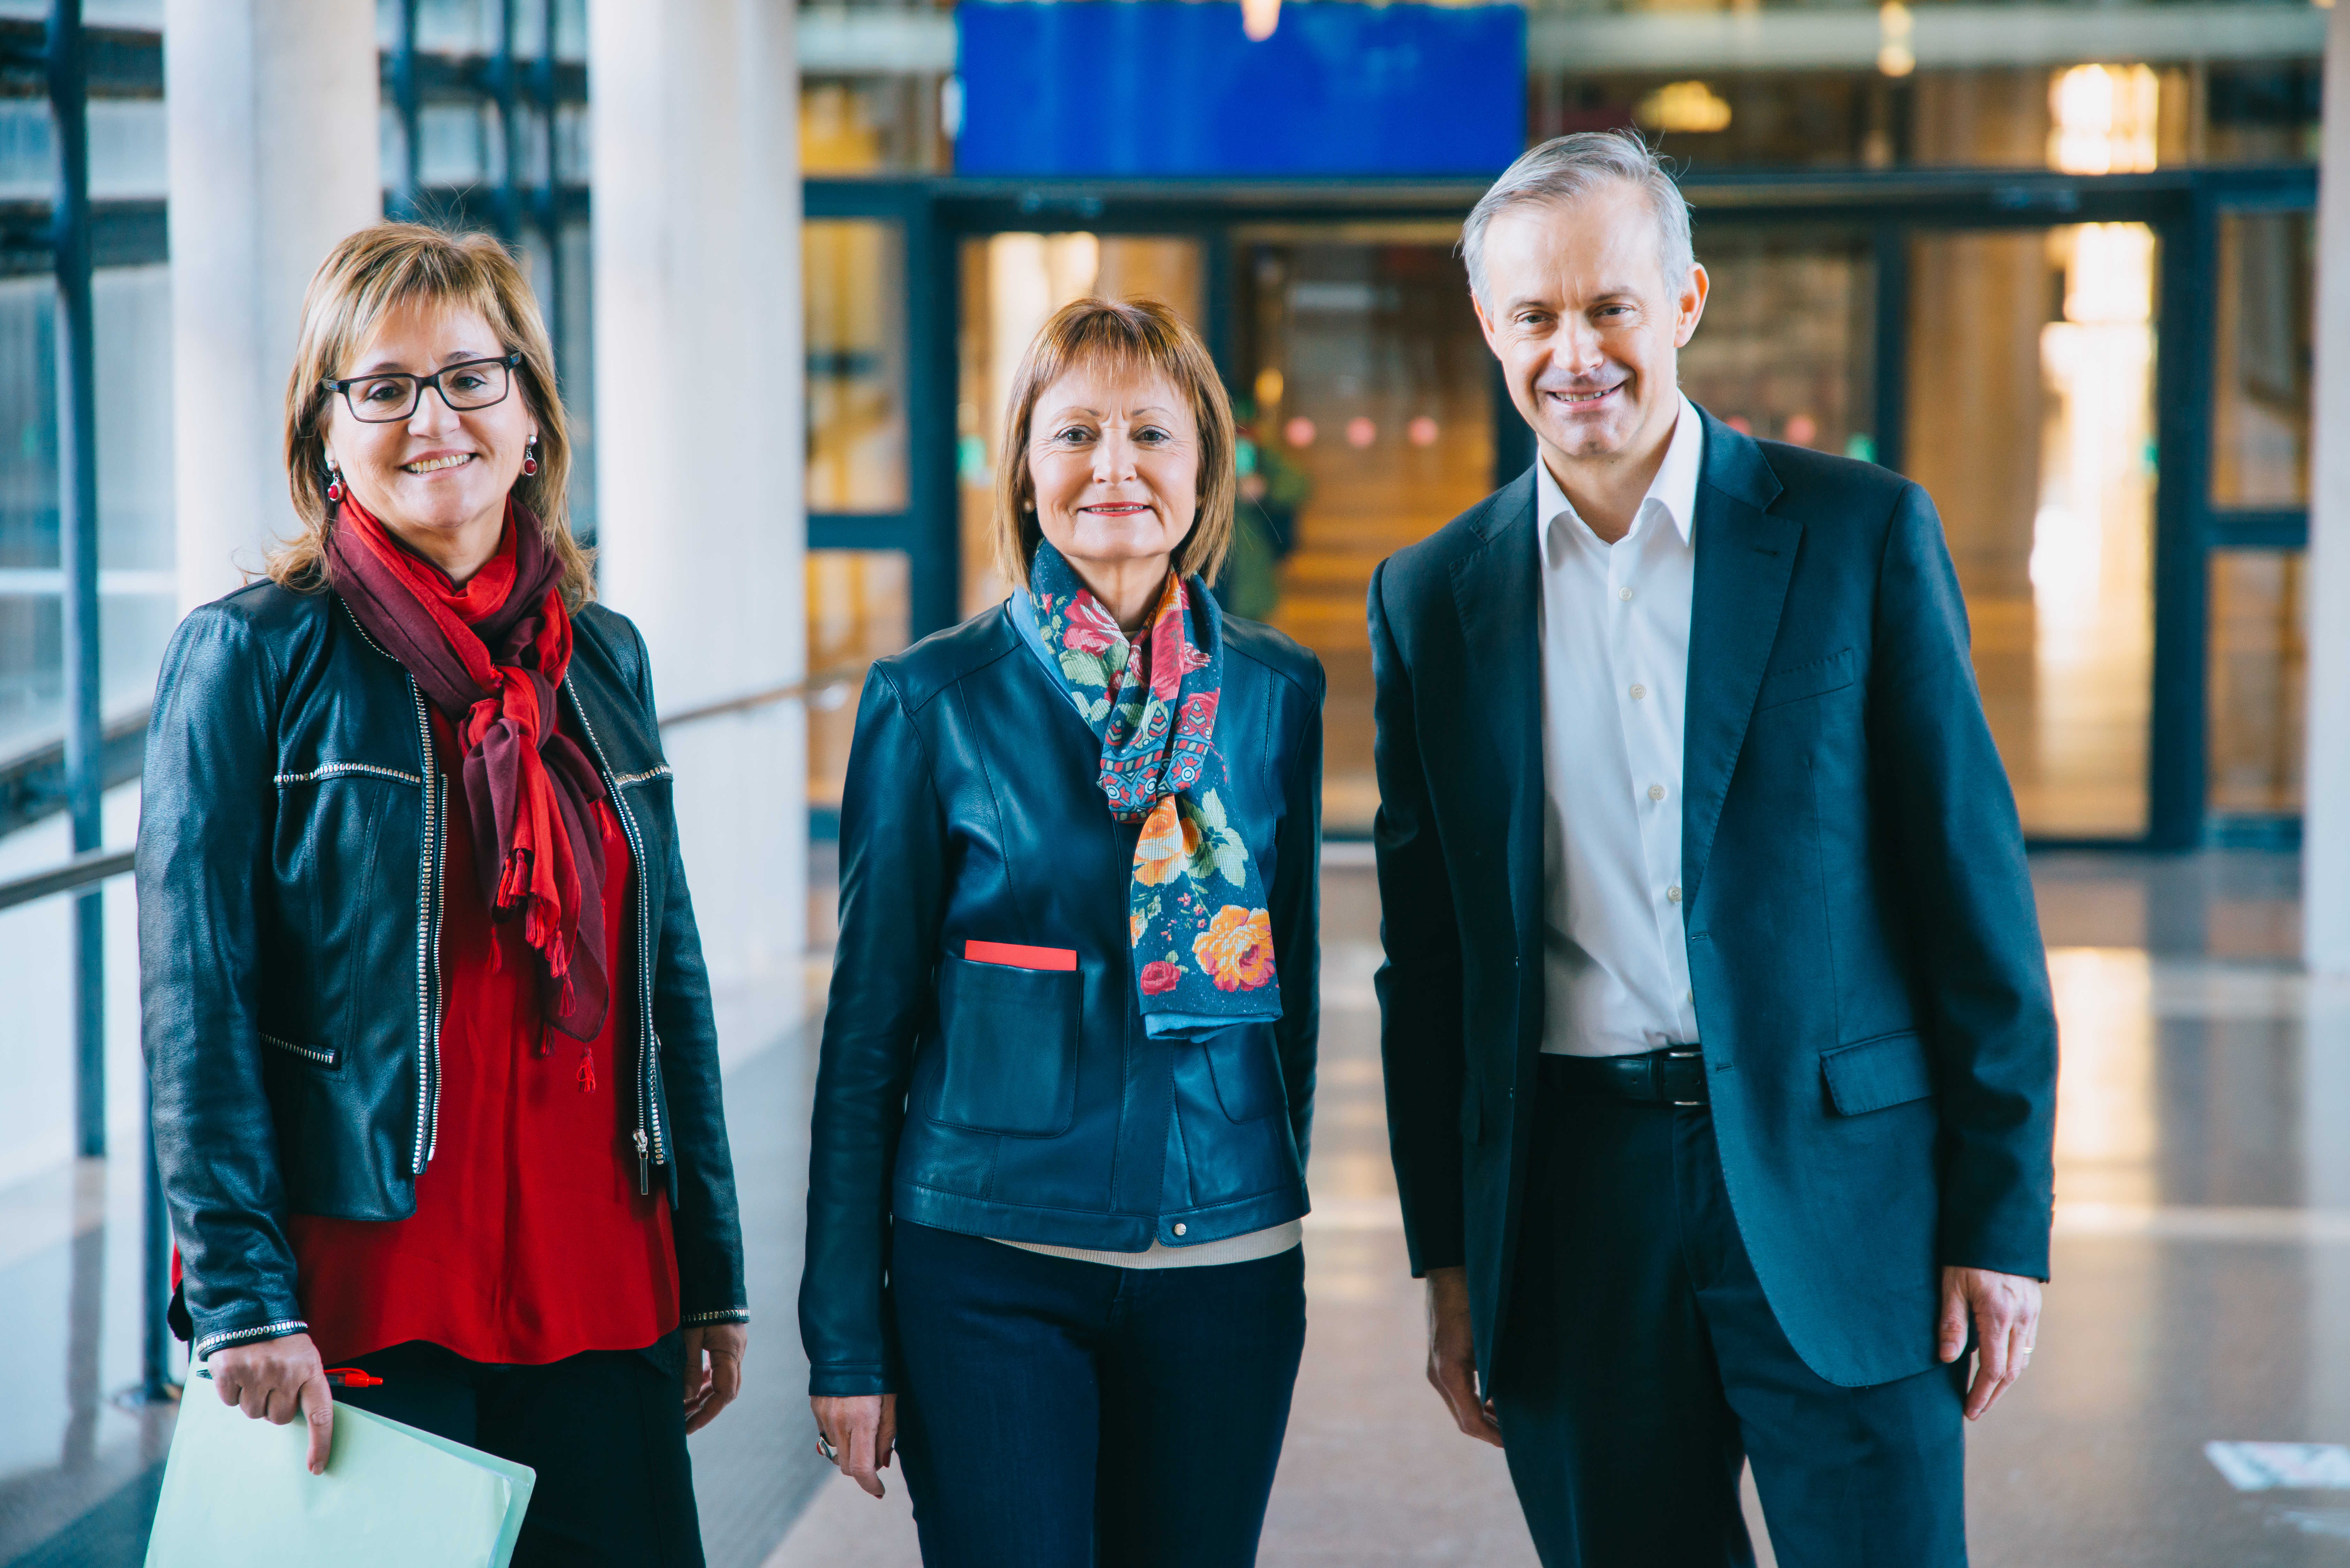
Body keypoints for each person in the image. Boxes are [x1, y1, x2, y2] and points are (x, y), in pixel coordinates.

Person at [1369, 132, 2057, 1566]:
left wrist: (2001, 1217)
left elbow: (1970, 898)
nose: (1576, 352)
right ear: (1490, 328)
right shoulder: (1432, 601)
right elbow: (1427, 971)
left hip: (1844, 1198)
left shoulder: (1858, 534)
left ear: (1684, 301)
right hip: (1570, 1213)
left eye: (1609, 305)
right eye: (1535, 316)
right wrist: (1450, 1261)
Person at [139, 222, 748, 1565]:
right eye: (386, 387)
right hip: (363, 1292)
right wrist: (240, 1299)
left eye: (473, 377)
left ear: (530, 415)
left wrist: (713, 1272)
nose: (435, 419)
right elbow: (200, 1008)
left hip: (603, 1284)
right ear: (326, 434)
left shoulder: (606, 661)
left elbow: (669, 982)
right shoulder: (247, 657)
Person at [799, 297, 1324, 1566]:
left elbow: (1292, 993)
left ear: (1203, 467)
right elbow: (866, 1039)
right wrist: (844, 1336)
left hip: (1225, 1263)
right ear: (1024, 470)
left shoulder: (1274, 693)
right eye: (1074, 431)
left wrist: (1249, 1163)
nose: (1114, 467)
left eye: (1152, 432)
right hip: (986, 1265)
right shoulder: (934, 702)